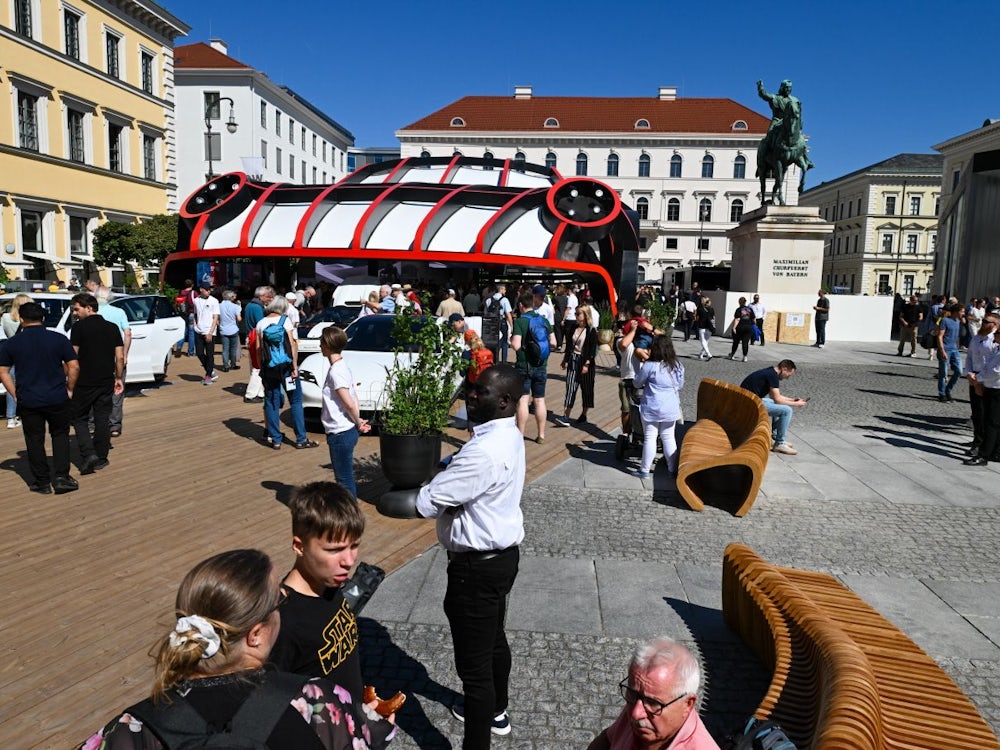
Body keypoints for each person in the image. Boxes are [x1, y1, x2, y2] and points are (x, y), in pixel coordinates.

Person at [80, 548, 396, 750]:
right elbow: (372, 739)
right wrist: (384, 724)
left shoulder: (132, 727)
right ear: (255, 635)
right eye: (279, 601)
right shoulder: (315, 701)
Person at [415, 364, 526, 748]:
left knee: (474, 671)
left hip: (475, 570)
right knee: (494, 639)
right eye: (473, 388)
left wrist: (437, 482)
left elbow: (427, 502)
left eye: (481, 391)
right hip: (500, 560)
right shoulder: (508, 434)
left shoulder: (483, 451)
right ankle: (497, 711)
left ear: (506, 401)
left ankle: (483, 729)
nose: (472, 395)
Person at [270, 483, 367, 696]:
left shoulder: (330, 583)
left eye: (354, 546)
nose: (349, 561)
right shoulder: (282, 624)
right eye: (335, 550)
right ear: (299, 546)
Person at [0, 302, 79, 494]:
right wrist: (69, 389)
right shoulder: (59, 339)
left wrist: (15, 394)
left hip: (29, 398)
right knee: (60, 436)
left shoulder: (11, 343)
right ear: (43, 319)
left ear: (21, 319)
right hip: (57, 396)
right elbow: (74, 366)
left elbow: (3, 372)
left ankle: (42, 482)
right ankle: (61, 478)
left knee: (34, 439)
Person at [587, 636, 719, 750]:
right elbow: (607, 740)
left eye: (653, 703)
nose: (635, 714)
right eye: (633, 694)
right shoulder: (638, 705)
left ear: (688, 704)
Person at [69, 293, 123, 475]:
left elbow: (72, 357)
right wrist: (118, 377)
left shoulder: (78, 328)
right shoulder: (112, 328)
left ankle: (89, 453)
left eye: (77, 309)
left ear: (89, 307)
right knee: (102, 418)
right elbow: (120, 356)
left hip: (83, 380)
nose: (75, 313)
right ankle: (102, 457)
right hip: (106, 379)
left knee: (79, 417)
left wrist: (68, 380)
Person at [256, 295, 319, 450]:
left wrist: (261, 368)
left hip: (269, 368)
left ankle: (276, 440)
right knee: (296, 401)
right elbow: (292, 344)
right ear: (283, 308)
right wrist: (295, 367)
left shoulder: (261, 323)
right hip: (286, 368)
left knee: (271, 402)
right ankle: (301, 439)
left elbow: (259, 349)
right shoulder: (286, 322)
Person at [318, 326, 370, 497]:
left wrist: (357, 421)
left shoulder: (336, 372)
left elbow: (348, 402)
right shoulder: (342, 366)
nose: (319, 345)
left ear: (327, 344)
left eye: (321, 341)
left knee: (344, 480)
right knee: (344, 478)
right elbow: (354, 396)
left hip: (340, 432)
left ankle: (349, 517)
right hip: (346, 429)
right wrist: (359, 420)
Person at [632, 335, 684, 479]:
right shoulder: (677, 366)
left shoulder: (650, 365)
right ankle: (672, 469)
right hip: (670, 407)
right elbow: (680, 385)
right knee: (668, 437)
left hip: (652, 407)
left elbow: (637, 383)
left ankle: (644, 470)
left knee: (650, 437)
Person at [511, 290, 556, 444]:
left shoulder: (520, 322)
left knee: (523, 400)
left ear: (521, 305)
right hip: (541, 365)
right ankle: (541, 435)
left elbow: (516, 346)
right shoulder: (543, 320)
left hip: (524, 365)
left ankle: (520, 435)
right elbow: (554, 343)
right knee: (539, 401)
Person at [740, 359, 807, 455]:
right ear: (784, 369)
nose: (787, 378)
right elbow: (778, 400)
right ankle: (779, 443)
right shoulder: (772, 376)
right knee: (787, 410)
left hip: (748, 400)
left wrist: (793, 400)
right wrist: (796, 404)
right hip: (750, 404)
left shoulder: (770, 372)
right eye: (789, 374)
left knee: (773, 402)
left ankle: (775, 437)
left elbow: (775, 397)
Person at [964, 318, 1000, 466]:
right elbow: (973, 359)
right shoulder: (996, 348)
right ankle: (994, 452)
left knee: (991, 422)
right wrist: (972, 375)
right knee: (990, 420)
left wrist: (978, 379)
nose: (995, 335)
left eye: (998, 333)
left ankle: (983, 455)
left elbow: (995, 370)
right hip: (987, 383)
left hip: (995, 387)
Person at [558, 305, 598, 425]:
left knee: (586, 389)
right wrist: (565, 360)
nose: (576, 316)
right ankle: (566, 416)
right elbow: (569, 345)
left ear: (585, 315)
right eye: (575, 313)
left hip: (585, 362)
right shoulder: (573, 327)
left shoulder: (591, 330)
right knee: (570, 387)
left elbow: (592, 349)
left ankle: (584, 414)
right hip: (573, 359)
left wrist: (587, 364)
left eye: (578, 314)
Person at [1, 292, 31, 428]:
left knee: (10, 385)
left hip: (11, 351)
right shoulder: (28, 319)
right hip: (26, 353)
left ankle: (11, 416)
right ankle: (25, 412)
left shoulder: (6, 317)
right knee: (26, 383)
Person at [243, 285, 274, 403]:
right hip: (255, 338)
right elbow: (261, 324)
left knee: (255, 367)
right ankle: (250, 394)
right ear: (261, 296)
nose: (269, 298)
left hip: (251, 337)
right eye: (268, 296)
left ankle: (260, 392)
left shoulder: (250, 305)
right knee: (258, 368)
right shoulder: (257, 308)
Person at [936, 303, 964, 402]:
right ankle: (942, 394)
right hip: (945, 349)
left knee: (959, 371)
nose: (963, 313)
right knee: (943, 373)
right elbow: (940, 336)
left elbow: (957, 336)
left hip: (955, 349)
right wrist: (942, 350)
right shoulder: (945, 320)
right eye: (962, 311)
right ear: (956, 312)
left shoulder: (957, 321)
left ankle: (948, 389)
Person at [193, 284, 220, 385]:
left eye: (210, 290)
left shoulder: (214, 301)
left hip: (209, 331)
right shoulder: (196, 300)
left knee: (210, 354)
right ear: (201, 290)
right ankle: (210, 371)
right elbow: (196, 314)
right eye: (206, 290)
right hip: (198, 330)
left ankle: (208, 375)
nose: (209, 292)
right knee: (199, 353)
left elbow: (215, 317)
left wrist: (211, 332)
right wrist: (195, 326)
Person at [219, 289, 243, 372]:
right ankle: (233, 364)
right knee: (233, 348)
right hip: (233, 329)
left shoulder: (219, 306)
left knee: (225, 349)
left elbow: (216, 318)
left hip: (223, 329)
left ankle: (225, 366)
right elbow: (239, 319)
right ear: (231, 297)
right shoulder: (236, 307)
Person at [728, 297, 756, 361]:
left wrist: (734, 327)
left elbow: (737, 319)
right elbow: (754, 319)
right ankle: (745, 357)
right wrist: (754, 325)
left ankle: (732, 355)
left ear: (739, 302)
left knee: (736, 342)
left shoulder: (738, 309)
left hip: (740, 327)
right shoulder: (750, 309)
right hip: (748, 327)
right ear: (745, 302)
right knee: (745, 342)